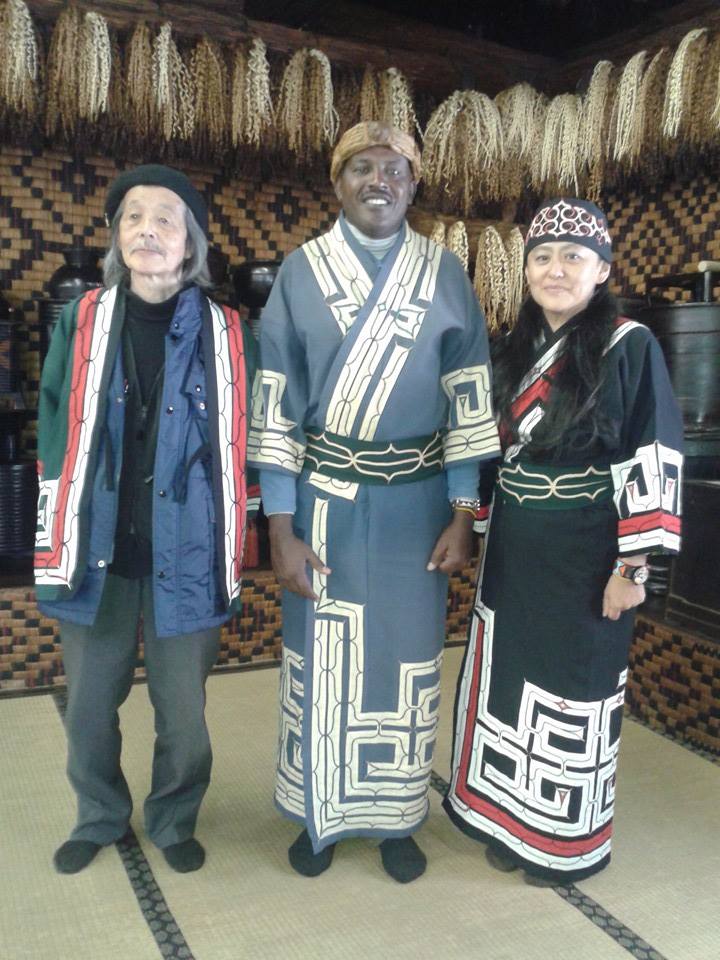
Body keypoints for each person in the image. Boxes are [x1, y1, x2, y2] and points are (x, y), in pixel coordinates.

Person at [248, 121, 500, 883]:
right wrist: (279, 528)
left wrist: (464, 512)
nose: (379, 181)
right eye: (362, 167)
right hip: (323, 503)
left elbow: (468, 395)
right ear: (338, 182)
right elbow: (275, 405)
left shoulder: (445, 274)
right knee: (322, 656)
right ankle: (319, 813)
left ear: (414, 185)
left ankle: (397, 816)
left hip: (418, 507)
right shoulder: (301, 273)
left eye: (395, 168)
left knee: (408, 656)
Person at [444, 198, 683, 885]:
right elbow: (484, 451)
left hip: (589, 549)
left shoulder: (630, 345)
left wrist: (631, 568)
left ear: (601, 270)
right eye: (542, 257)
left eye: (573, 257)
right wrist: (472, 522)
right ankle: (506, 820)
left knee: (576, 688)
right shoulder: (511, 348)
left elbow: (652, 451)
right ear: (526, 271)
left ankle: (560, 838)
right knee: (510, 680)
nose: (555, 269)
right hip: (516, 547)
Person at [34, 164, 257, 875]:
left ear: (191, 244)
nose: (148, 230)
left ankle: (173, 816)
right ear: (116, 237)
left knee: (183, 713)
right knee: (88, 706)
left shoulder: (226, 332)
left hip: (185, 551)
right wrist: (61, 510)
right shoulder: (83, 320)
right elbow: (52, 421)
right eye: (133, 216)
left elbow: (245, 439)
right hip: (95, 545)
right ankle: (99, 814)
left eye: (166, 218)